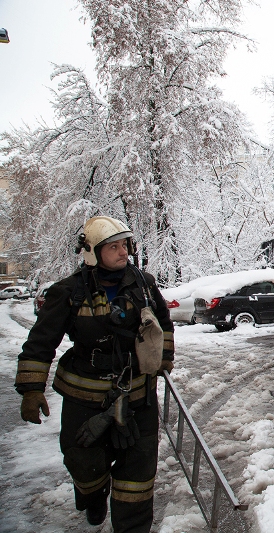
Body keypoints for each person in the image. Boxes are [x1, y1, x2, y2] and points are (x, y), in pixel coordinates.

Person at [14, 216, 175, 532]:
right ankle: (94, 497)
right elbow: (41, 342)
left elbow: (164, 324)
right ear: (92, 252)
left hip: (137, 398)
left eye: (124, 245)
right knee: (84, 463)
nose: (123, 252)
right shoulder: (68, 292)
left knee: (138, 477)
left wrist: (163, 358)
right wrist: (31, 389)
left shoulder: (143, 285)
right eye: (113, 247)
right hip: (85, 400)